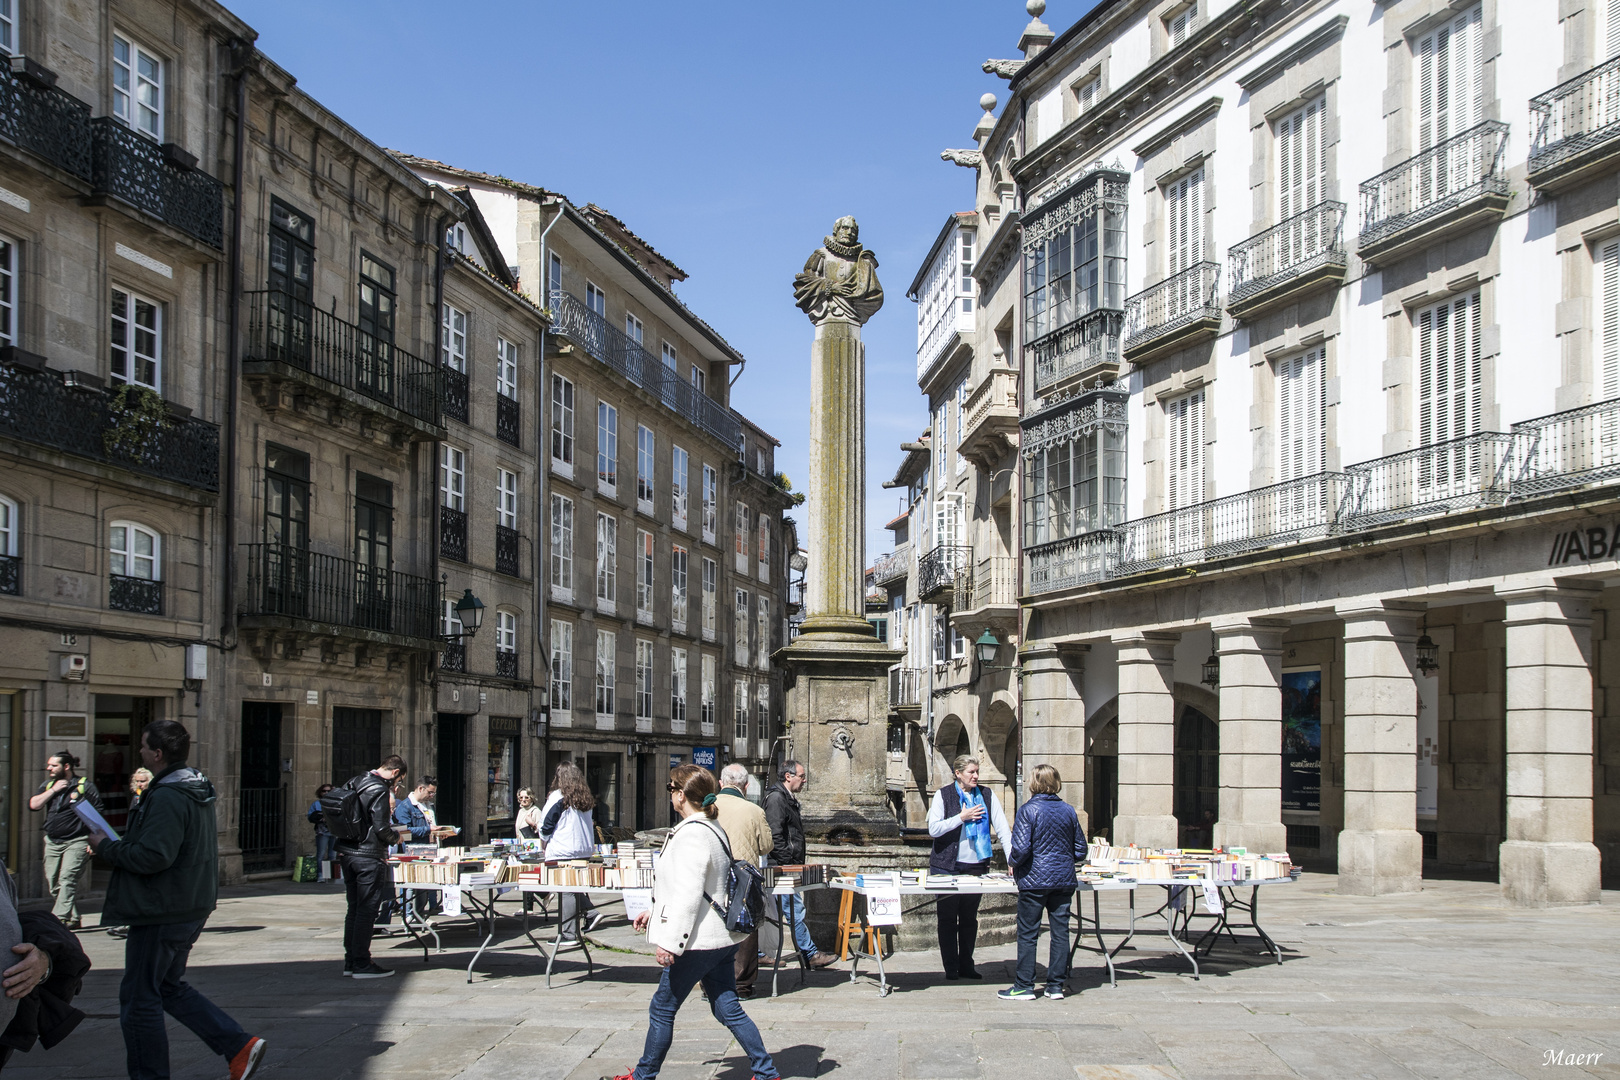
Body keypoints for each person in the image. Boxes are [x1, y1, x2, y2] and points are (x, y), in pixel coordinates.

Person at [86, 719, 266, 1080]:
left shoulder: (168, 794)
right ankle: (237, 1045)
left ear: (156, 753)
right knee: (167, 986)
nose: (138, 751)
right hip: (186, 904)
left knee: (139, 1000)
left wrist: (107, 847)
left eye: (142, 746)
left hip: (161, 908)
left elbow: (154, 856)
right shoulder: (190, 787)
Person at [600, 765, 779, 1080]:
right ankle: (766, 1071)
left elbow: (689, 893)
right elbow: (692, 888)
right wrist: (654, 913)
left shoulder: (692, 834)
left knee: (662, 1008)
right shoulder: (709, 826)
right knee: (727, 1007)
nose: (669, 794)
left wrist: (670, 942)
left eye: (671, 788)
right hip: (720, 939)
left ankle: (643, 1076)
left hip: (699, 941)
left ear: (681, 795)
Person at [999, 764, 1089, 1002]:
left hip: (1034, 880)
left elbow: (1020, 849)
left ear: (1034, 783)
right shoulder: (1068, 811)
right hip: (1063, 880)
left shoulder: (1028, 810)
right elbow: (1081, 850)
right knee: (1061, 932)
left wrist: (1012, 862)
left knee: (1028, 933)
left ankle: (1024, 985)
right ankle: (1056, 986)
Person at [926, 755, 1012, 980]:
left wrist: (1013, 859)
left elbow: (1003, 828)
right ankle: (951, 968)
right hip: (947, 866)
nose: (975, 776)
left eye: (977, 772)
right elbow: (934, 830)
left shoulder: (986, 795)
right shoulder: (942, 795)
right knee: (947, 918)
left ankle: (967, 965)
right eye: (971, 772)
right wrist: (961, 817)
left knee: (969, 918)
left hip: (975, 866)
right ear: (958, 774)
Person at [333, 755, 410, 979]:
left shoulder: (355, 781)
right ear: (396, 773)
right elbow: (381, 827)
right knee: (367, 910)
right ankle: (362, 963)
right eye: (399, 782)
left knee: (354, 908)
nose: (397, 786)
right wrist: (396, 838)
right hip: (368, 856)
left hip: (347, 853)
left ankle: (351, 961)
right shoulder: (378, 788)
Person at [761, 760, 835, 970]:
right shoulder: (777, 798)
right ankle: (809, 953)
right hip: (782, 868)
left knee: (779, 911)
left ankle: (763, 952)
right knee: (793, 909)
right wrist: (789, 864)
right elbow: (775, 835)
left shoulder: (786, 798)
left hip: (783, 866)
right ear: (788, 776)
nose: (804, 780)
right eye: (801, 776)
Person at [27, 752, 105, 930]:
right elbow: (34, 805)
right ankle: (74, 917)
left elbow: (97, 815)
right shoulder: (48, 785)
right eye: (49, 765)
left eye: (53, 765)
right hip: (53, 841)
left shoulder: (85, 786)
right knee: (54, 883)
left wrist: (92, 842)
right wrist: (54, 790)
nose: (49, 768)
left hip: (77, 841)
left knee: (67, 879)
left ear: (66, 767)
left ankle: (58, 920)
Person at [714, 764, 771, 998]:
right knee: (746, 928)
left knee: (714, 928)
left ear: (720, 783)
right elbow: (767, 846)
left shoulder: (707, 806)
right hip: (744, 877)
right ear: (746, 786)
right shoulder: (753, 810)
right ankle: (741, 984)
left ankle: (712, 982)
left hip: (713, 876)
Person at [541, 763, 597, 940]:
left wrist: (543, 839)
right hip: (583, 849)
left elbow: (546, 825)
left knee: (566, 889)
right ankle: (591, 913)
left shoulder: (558, 797)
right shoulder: (585, 797)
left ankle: (569, 933)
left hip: (563, 850)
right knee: (573, 888)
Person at [393, 776, 459, 845]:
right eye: (430, 792)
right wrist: (428, 829)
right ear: (420, 788)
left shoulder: (430, 806)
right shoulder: (405, 806)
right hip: (416, 849)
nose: (432, 796)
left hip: (432, 848)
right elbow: (404, 832)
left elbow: (432, 827)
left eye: (433, 793)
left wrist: (439, 833)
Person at [307, 784, 337, 880]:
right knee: (321, 854)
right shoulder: (317, 804)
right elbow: (310, 817)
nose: (326, 793)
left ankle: (330, 875)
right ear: (320, 792)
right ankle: (321, 875)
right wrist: (320, 818)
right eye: (324, 791)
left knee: (332, 855)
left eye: (329, 791)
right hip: (322, 832)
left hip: (335, 832)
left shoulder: (336, 802)